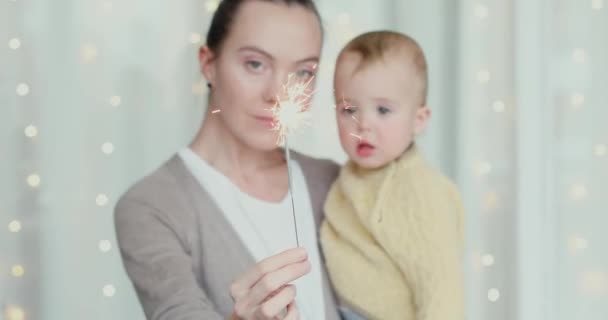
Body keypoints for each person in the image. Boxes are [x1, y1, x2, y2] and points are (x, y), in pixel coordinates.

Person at [113, 1, 342, 319]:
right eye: (255, 64)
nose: (278, 93)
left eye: (303, 72)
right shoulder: (151, 206)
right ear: (209, 64)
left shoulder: (335, 182)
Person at [320, 31, 466, 320]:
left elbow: (440, 287)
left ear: (418, 120)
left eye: (383, 110)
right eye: (349, 109)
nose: (363, 124)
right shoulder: (347, 176)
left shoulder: (417, 191)